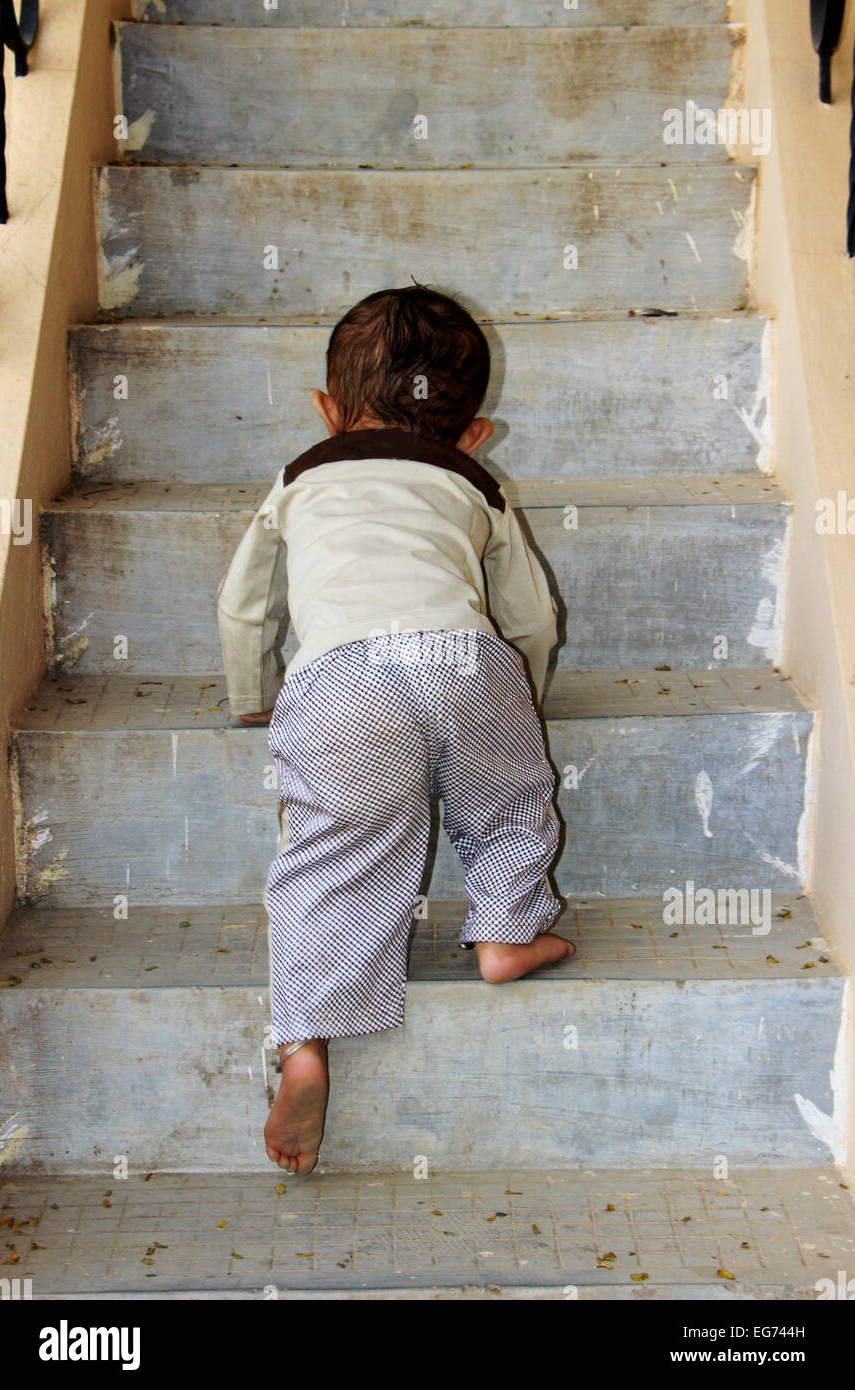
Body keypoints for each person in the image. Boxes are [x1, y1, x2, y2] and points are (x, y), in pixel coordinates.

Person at [217, 284, 573, 1175]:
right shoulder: (477, 482)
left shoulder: (301, 476)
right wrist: (522, 694)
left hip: (344, 677)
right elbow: (532, 619)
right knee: (509, 804)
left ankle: (305, 1044)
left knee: (329, 853)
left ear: (327, 411)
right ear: (475, 432)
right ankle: (504, 933)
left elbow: (244, 606)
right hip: (466, 662)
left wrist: (250, 692)